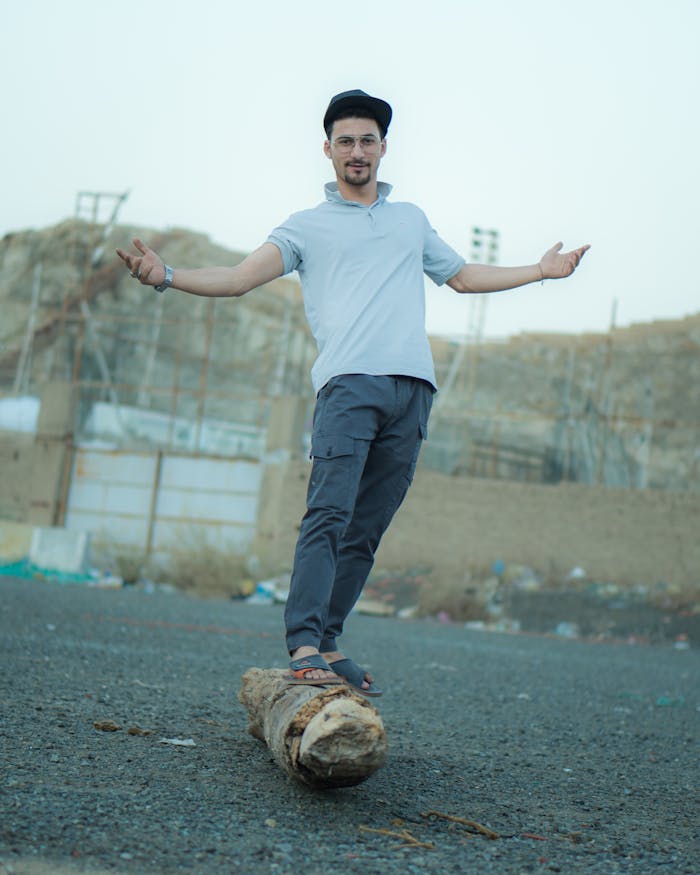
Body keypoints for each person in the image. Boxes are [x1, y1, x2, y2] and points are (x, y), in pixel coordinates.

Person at [117, 88, 589, 696]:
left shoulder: (409, 220)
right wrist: (169, 277)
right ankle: (304, 644)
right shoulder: (305, 228)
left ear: (383, 147)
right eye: (346, 141)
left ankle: (331, 643)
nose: (358, 151)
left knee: (366, 528)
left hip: (413, 391)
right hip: (348, 387)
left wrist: (538, 271)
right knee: (329, 514)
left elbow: (464, 277)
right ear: (328, 150)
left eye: (368, 140)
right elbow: (237, 279)